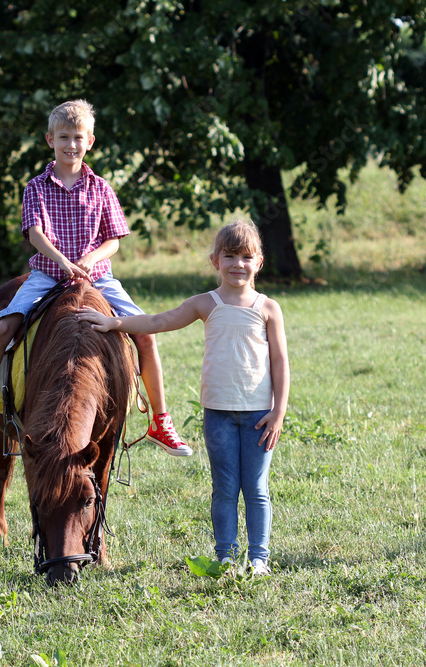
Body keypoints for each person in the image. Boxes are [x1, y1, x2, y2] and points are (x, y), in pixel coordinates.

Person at [0, 99, 192, 457]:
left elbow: (114, 240)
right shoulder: (36, 187)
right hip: (47, 275)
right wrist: (62, 261)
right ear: (50, 140)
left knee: (146, 333)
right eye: (63, 137)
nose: (70, 144)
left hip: (98, 278)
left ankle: (161, 422)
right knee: (1, 328)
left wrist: (89, 259)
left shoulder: (101, 187)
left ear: (90, 141)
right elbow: (35, 234)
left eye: (77, 137)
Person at [75, 220, 290, 575]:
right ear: (215, 260)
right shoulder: (206, 303)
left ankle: (258, 560)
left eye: (246, 257)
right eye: (230, 256)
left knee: (255, 488)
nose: (238, 264)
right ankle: (225, 557)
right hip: (218, 413)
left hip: (259, 416)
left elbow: (281, 362)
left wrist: (278, 411)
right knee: (224, 487)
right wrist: (116, 324)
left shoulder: (268, 308)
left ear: (259, 262)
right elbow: (160, 321)